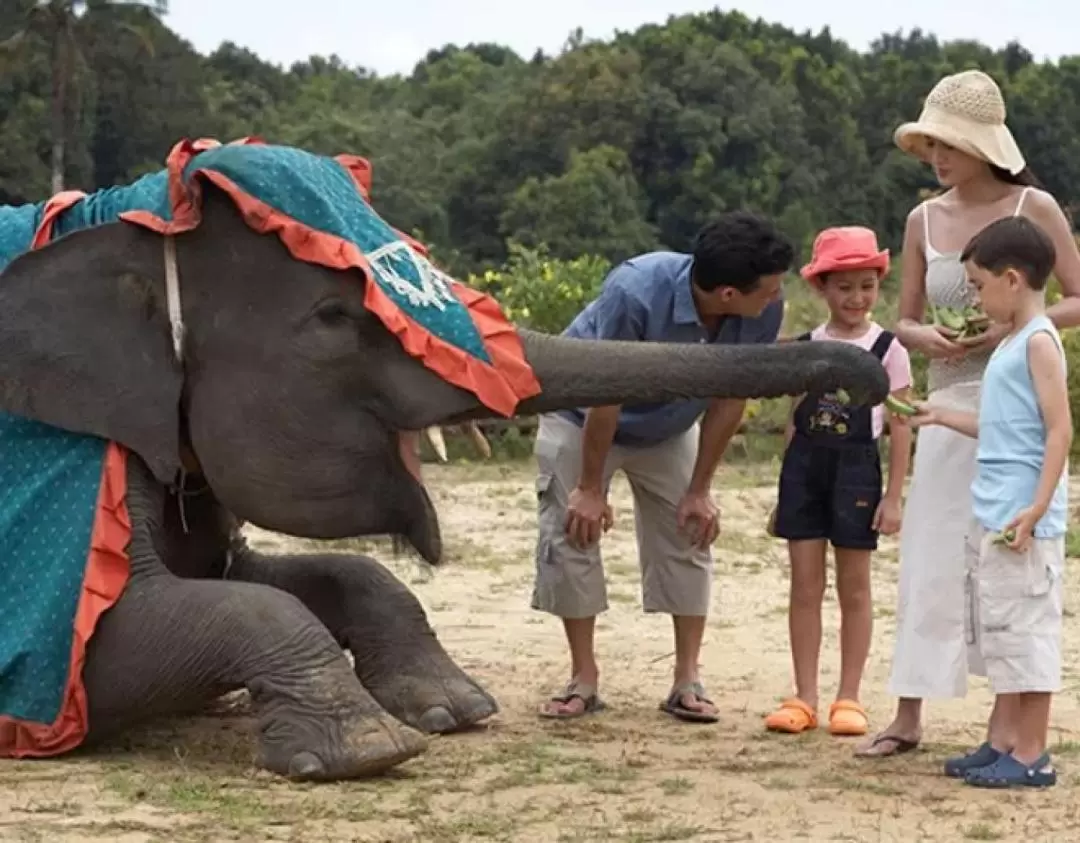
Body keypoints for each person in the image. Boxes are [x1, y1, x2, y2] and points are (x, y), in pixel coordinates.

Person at [857, 69, 1080, 759]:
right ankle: (907, 713)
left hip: (1013, 401)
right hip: (946, 399)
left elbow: (1075, 297)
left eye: (948, 142)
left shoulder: (1032, 207)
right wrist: (920, 336)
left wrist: (1010, 331)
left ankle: (1005, 729)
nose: (937, 157)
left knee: (1002, 565)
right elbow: (906, 315)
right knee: (930, 556)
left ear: (985, 145)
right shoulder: (922, 218)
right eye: (929, 144)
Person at [532, 211, 792, 721]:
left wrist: (701, 488)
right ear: (727, 294)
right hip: (582, 413)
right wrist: (589, 486)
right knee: (574, 532)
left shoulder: (763, 308)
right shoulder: (634, 290)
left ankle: (687, 679)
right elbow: (605, 392)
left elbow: (731, 396)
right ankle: (583, 679)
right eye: (767, 288)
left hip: (670, 422)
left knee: (690, 533)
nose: (777, 296)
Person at [904, 215, 1069, 788]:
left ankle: (1032, 754)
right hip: (995, 510)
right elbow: (1003, 427)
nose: (972, 297)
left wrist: (1038, 506)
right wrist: (940, 415)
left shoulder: (1039, 342)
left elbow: (1058, 431)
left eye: (977, 285)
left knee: (1028, 634)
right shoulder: (1011, 345)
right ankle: (1002, 740)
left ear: (1013, 280)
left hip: (1023, 516)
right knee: (997, 631)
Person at [765, 227, 913, 738]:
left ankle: (848, 696)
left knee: (855, 588)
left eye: (867, 285)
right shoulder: (806, 348)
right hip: (804, 470)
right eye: (845, 286)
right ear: (822, 288)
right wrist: (782, 488)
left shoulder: (889, 348)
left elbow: (900, 424)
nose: (857, 297)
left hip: (857, 470)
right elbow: (793, 417)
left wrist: (893, 497)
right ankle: (804, 694)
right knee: (805, 586)